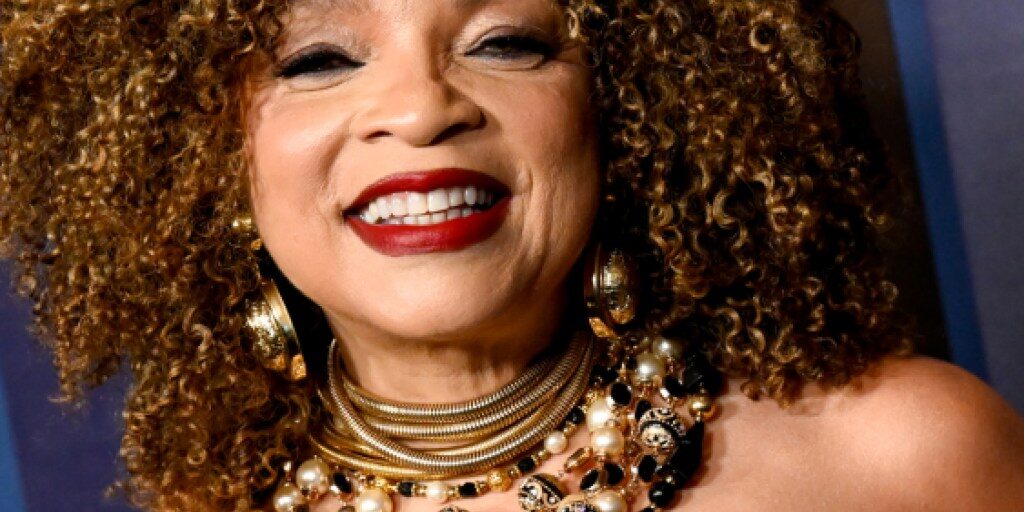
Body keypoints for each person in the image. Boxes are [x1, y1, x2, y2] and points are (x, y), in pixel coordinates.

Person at [1, 0, 1022, 511]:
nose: (420, 108)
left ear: (625, 112)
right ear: (208, 160)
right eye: (319, 59)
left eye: (505, 42)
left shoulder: (902, 458)